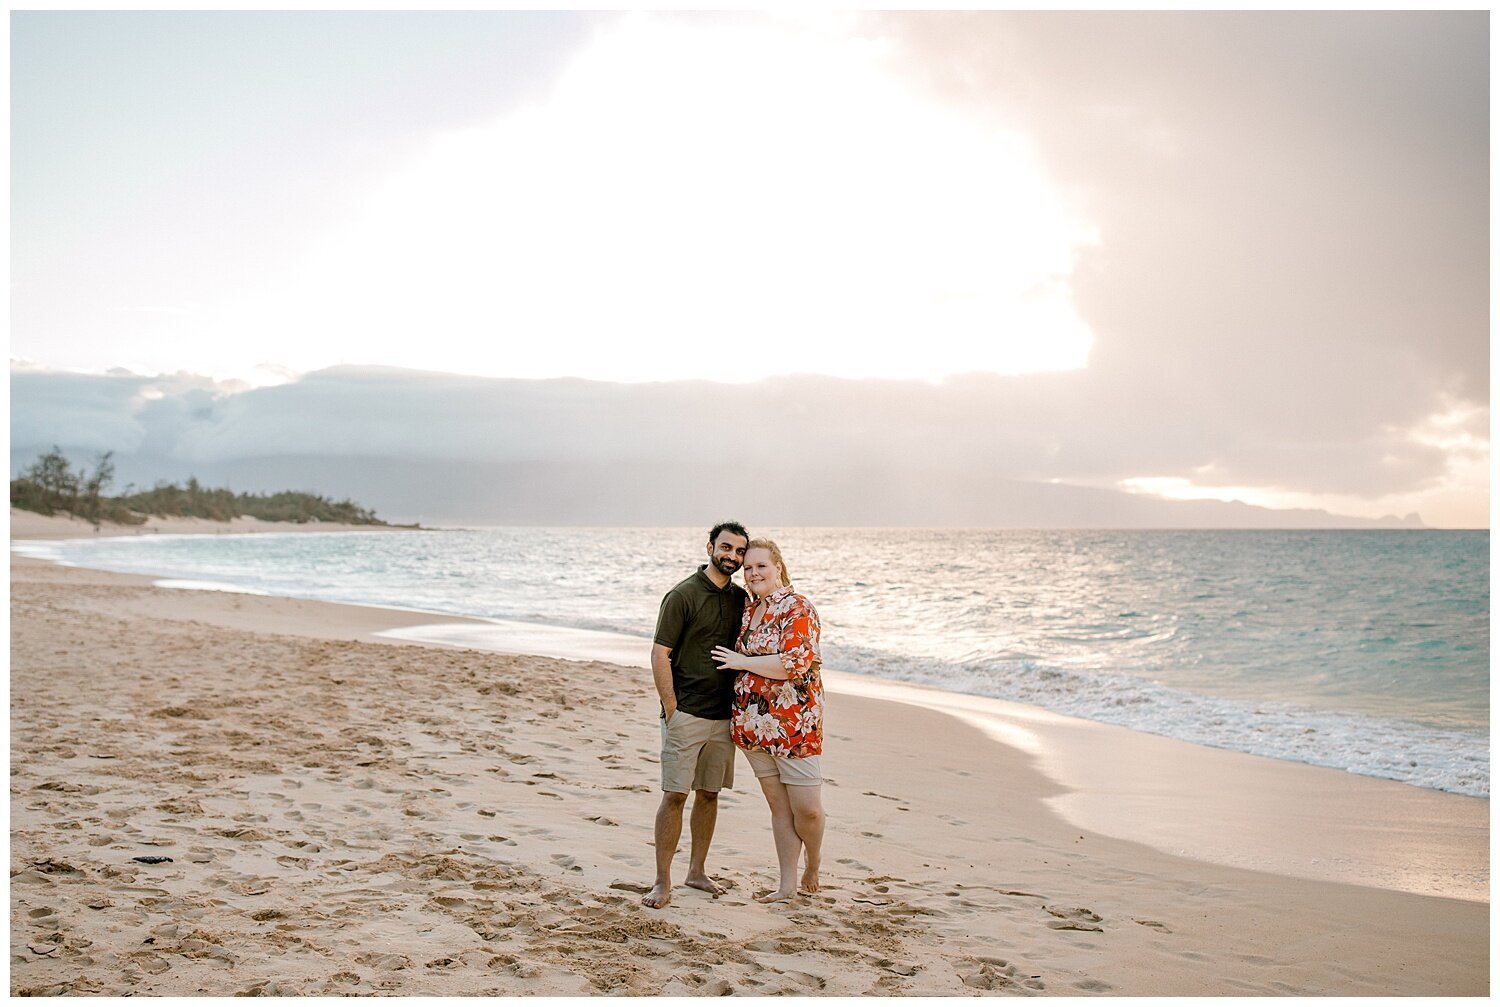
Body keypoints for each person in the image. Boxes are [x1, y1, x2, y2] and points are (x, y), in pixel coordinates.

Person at [641, 521, 750, 910]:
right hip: (686, 712)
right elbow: (660, 654)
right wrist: (671, 709)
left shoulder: (740, 598)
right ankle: (662, 881)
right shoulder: (683, 595)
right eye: (726, 547)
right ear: (710, 548)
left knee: (709, 794)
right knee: (675, 794)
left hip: (724, 716)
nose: (732, 556)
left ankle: (697, 871)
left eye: (740, 551)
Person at [711, 538, 825, 903]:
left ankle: (813, 862)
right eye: (748, 568)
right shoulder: (748, 611)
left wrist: (742, 662)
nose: (754, 573)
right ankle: (786, 885)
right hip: (752, 724)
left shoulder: (798, 607)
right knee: (779, 808)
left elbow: (794, 664)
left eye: (761, 566)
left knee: (807, 810)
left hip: (794, 726)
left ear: (778, 567)